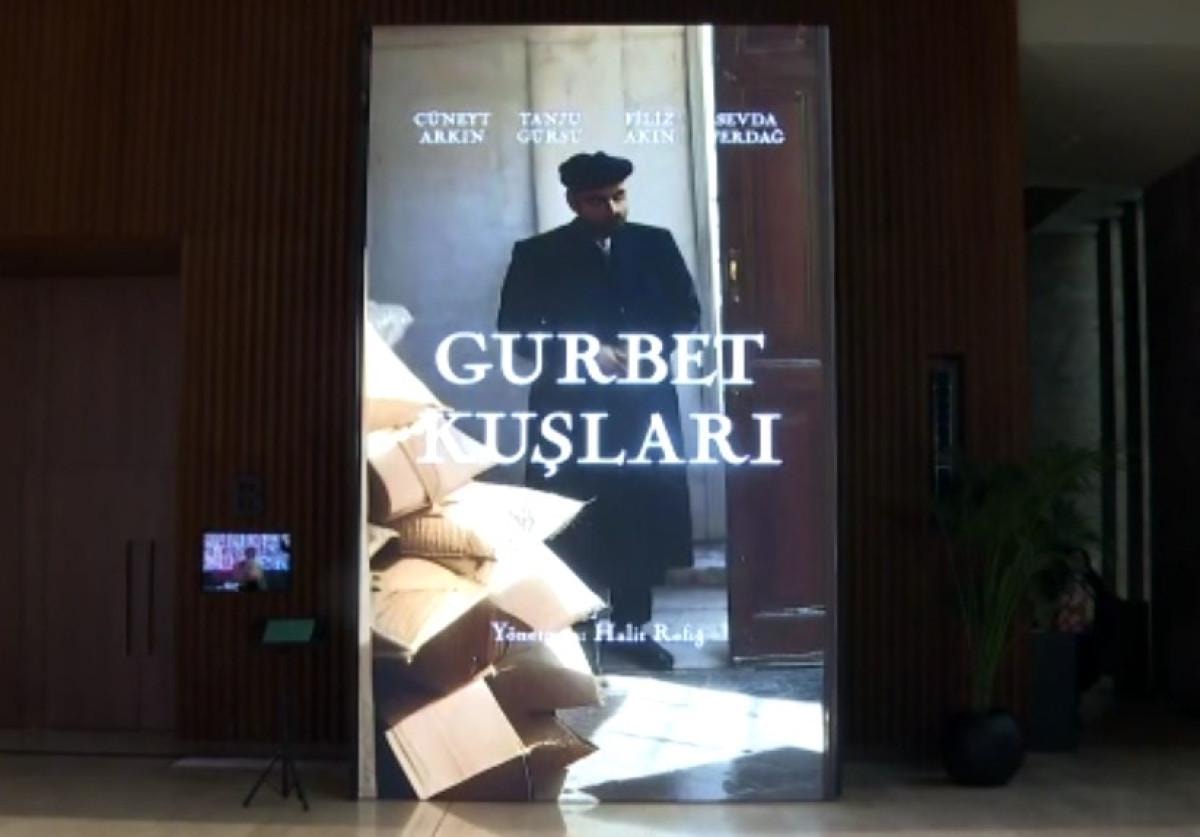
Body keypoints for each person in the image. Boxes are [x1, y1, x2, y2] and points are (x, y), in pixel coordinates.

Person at [497, 151, 701, 670]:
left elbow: (685, 314)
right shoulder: (537, 254)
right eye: (596, 200)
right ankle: (575, 635)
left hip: (640, 406)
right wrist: (588, 351)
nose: (611, 208)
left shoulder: (656, 244)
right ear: (572, 202)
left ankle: (632, 630)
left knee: (639, 515)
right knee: (572, 517)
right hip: (569, 410)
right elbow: (516, 333)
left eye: (618, 196)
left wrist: (641, 347)